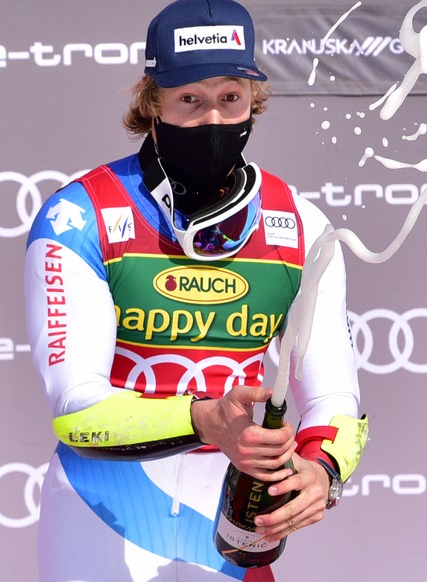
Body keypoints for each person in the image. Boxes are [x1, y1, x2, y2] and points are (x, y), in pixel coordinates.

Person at [24, 0, 368, 580]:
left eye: (230, 98)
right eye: (190, 99)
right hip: (99, 512)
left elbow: (334, 396)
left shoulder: (303, 226)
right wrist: (205, 420)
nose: (213, 119)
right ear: (151, 101)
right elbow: (74, 407)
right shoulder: (80, 216)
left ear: (252, 102)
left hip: (234, 525)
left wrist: (323, 471)